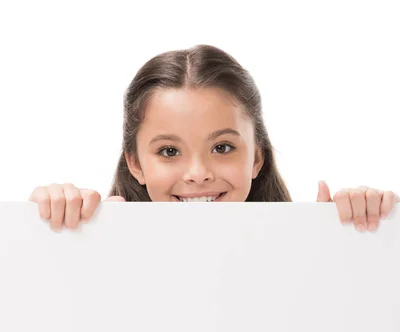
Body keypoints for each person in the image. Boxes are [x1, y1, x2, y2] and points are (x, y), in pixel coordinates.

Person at [28, 44, 399, 232]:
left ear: (256, 158)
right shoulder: (94, 252)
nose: (198, 173)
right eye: (169, 151)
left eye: (222, 147)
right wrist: (46, 225)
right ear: (136, 163)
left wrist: (349, 240)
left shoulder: (313, 250)